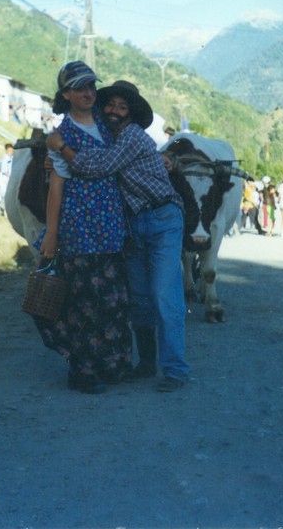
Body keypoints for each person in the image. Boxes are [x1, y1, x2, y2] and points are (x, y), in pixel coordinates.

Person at [46, 79, 190, 392]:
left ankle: (176, 370)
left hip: (162, 219)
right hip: (133, 225)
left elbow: (98, 167)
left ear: (131, 114)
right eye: (110, 104)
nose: (114, 110)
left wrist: (61, 148)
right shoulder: (107, 138)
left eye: (122, 107)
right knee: (138, 298)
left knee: (164, 296)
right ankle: (147, 363)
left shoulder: (132, 137)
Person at [34, 61, 132, 394]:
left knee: (112, 299)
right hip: (79, 224)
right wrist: (51, 232)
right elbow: (57, 185)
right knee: (83, 302)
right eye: (79, 88)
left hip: (111, 225)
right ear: (65, 95)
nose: (87, 92)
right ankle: (84, 371)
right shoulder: (63, 135)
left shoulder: (108, 125)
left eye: (90, 86)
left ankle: (111, 365)